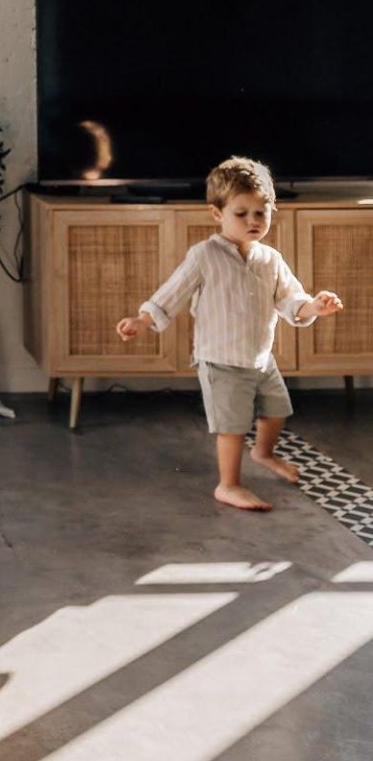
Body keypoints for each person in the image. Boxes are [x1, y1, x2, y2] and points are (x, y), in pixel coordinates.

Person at [116, 156, 343, 511]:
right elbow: (172, 292)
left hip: (259, 357)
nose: (253, 221)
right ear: (217, 213)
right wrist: (144, 319)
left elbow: (289, 299)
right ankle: (228, 484)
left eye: (261, 212)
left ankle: (264, 453)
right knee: (232, 427)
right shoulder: (204, 255)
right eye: (242, 213)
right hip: (220, 359)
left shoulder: (270, 258)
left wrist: (314, 306)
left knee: (277, 410)